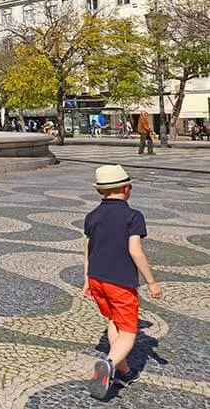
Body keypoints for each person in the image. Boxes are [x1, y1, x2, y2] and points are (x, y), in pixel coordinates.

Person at [83, 164, 162, 399]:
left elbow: (88, 248)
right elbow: (135, 251)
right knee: (129, 330)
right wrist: (152, 282)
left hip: (97, 278)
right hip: (120, 281)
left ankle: (123, 370)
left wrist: (86, 278)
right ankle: (108, 364)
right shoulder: (133, 216)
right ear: (127, 189)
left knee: (114, 320)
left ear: (100, 191)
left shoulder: (92, 216)